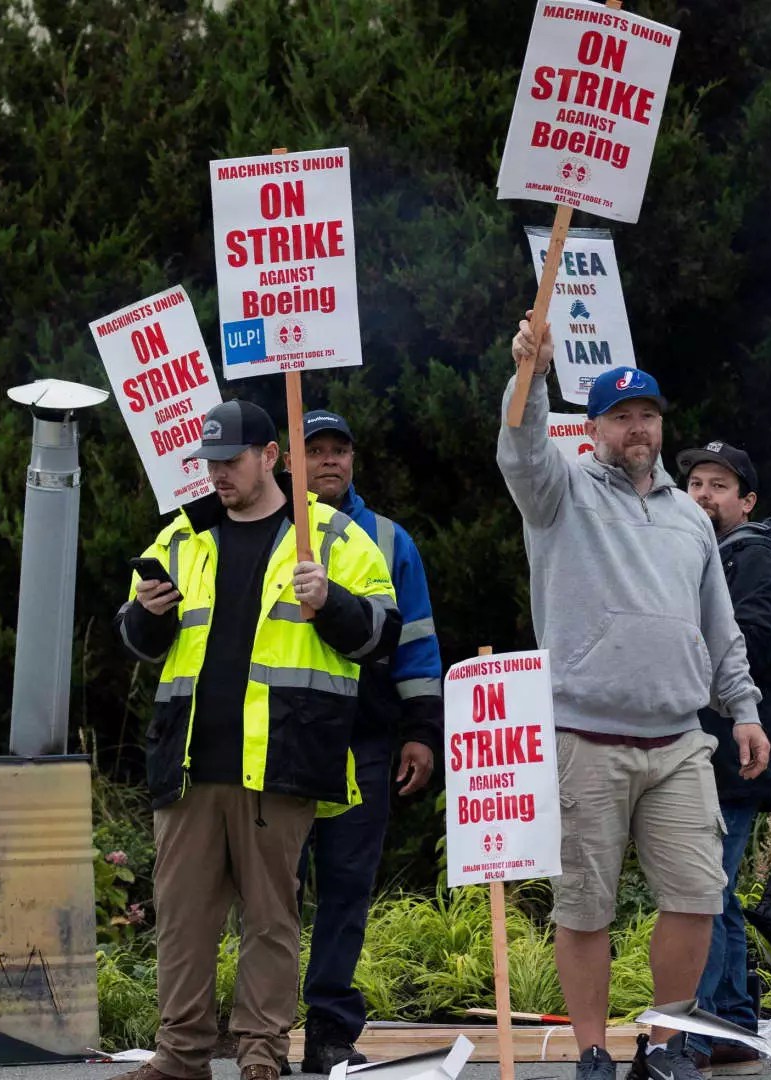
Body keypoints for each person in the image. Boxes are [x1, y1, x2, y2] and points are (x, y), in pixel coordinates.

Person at [497, 317, 769, 1080]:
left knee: (697, 896)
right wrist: (532, 373)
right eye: (621, 416)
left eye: (647, 414)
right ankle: (591, 1052)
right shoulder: (558, 493)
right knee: (585, 905)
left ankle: (665, 1042)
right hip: (585, 735)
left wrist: (742, 709)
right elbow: (519, 445)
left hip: (681, 738)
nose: (637, 428)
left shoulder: (689, 515)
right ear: (595, 429)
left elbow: (718, 624)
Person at [114, 399, 399, 1080]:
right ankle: (181, 1054)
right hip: (187, 762)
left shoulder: (330, 536)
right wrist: (147, 616)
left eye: (231, 460)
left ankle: (261, 1055)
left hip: (282, 759)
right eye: (209, 463)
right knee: (183, 921)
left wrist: (330, 599)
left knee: (271, 920)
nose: (218, 474)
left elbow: (382, 636)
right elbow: (137, 640)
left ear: (271, 456)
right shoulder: (178, 538)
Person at [290, 409, 443, 1074]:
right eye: (315, 449)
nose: (329, 461)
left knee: (348, 887)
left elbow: (416, 643)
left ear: (353, 459)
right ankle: (263, 1026)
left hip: (365, 739)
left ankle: (329, 1031)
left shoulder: (388, 538)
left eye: (339, 450)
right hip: (283, 740)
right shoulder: (265, 531)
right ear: (289, 461)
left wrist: (421, 732)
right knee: (273, 891)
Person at [675, 441, 771, 1070]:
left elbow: (747, 642)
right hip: (702, 754)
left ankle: (702, 1032)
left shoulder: (757, 563)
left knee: (703, 892)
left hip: (732, 757)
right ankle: (729, 1025)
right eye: (695, 483)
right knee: (714, 892)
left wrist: (672, 641)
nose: (702, 495)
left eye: (718, 485)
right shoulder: (694, 558)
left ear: (747, 503)